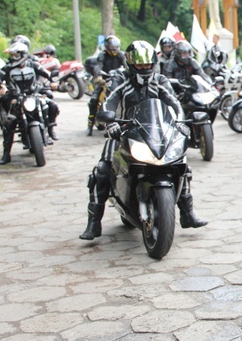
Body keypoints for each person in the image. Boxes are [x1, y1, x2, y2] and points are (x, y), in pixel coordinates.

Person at [80, 40, 207, 240]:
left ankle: (187, 213)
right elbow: (109, 103)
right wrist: (110, 122)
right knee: (102, 170)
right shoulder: (120, 79)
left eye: (147, 65)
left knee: (181, 165)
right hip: (123, 131)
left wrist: (181, 122)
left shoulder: (160, 80)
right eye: (139, 65)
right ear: (130, 64)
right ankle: (94, 222)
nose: (143, 68)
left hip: (157, 133)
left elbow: (173, 102)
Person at [0, 42, 58, 164]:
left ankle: (50, 129)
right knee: (9, 123)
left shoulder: (33, 65)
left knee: (51, 105)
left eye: (15, 54)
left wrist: (53, 81)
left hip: (34, 95)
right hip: (17, 98)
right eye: (12, 54)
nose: (13, 57)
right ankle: (6, 154)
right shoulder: (8, 68)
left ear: (22, 54)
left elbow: (48, 74)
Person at [87, 35, 126, 135]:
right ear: (107, 46)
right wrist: (98, 77)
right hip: (104, 80)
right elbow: (98, 66)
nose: (113, 48)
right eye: (111, 46)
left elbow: (126, 65)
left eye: (115, 46)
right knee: (94, 100)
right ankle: (90, 125)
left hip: (117, 80)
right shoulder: (102, 55)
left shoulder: (121, 55)